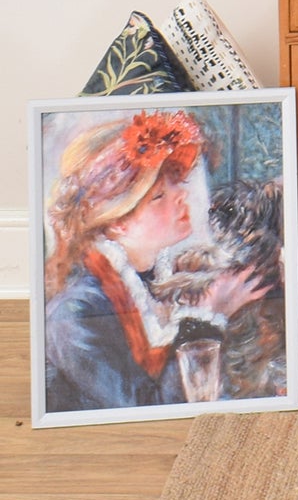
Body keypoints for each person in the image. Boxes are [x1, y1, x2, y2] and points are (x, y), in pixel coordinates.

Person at [43, 110, 268, 413]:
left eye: (177, 184)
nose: (181, 196)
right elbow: (148, 409)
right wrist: (208, 317)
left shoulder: (169, 280)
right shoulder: (75, 314)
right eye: (159, 195)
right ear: (116, 223)